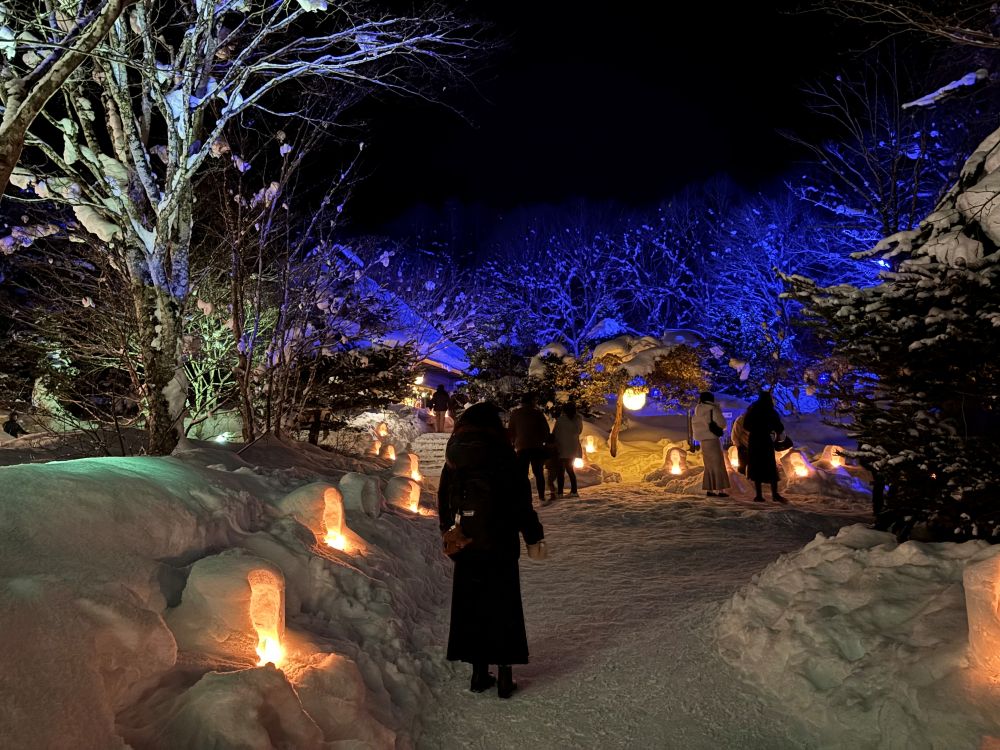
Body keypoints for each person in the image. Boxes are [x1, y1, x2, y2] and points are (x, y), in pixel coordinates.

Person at [437, 402, 546, 699]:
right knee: (503, 605)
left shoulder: (455, 453)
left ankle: (477, 673)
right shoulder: (503, 455)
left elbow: (444, 496)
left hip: (467, 543)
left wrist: (449, 530)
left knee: (471, 605)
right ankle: (505, 677)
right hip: (500, 541)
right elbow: (520, 503)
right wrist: (534, 536)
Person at [506, 393, 552, 505]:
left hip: (521, 447)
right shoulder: (537, 414)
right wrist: (543, 441)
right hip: (536, 447)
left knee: (523, 475)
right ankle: (541, 497)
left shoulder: (515, 414)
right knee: (538, 473)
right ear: (532, 402)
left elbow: (511, 431)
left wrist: (513, 443)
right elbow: (545, 430)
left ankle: (525, 498)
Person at [743, 391, 787, 503]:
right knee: (770, 466)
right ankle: (775, 494)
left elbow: (746, 425)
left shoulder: (752, 410)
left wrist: (755, 429)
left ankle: (759, 495)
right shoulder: (770, 410)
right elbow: (779, 427)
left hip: (754, 440)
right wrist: (770, 429)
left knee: (756, 466)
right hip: (765, 440)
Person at [692, 392, 730, 497]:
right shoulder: (713, 409)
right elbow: (722, 423)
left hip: (704, 441)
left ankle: (710, 489)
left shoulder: (697, 410)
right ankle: (720, 490)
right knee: (718, 464)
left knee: (709, 466)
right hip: (713, 439)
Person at [551, 401, 583, 498]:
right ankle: (574, 491)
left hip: (562, 448)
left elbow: (555, 433)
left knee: (561, 471)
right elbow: (579, 431)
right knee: (570, 470)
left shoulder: (560, 420)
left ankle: (560, 492)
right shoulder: (578, 420)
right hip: (573, 448)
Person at [730, 412, 749, 476]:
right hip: (743, 447)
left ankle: (752, 483)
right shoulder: (741, 420)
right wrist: (739, 446)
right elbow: (734, 435)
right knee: (742, 468)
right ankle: (743, 482)